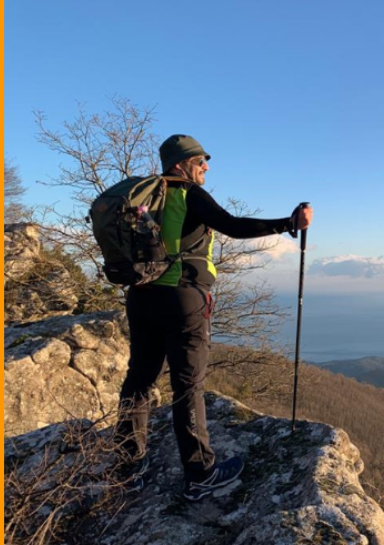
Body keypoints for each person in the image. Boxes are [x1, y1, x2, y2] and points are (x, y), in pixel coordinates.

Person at [113, 134, 312, 501]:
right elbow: (231, 226)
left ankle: (126, 469)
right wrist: (289, 223)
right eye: (199, 160)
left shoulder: (140, 199)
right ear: (180, 164)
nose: (205, 166)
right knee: (187, 385)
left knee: (140, 379)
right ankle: (200, 472)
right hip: (183, 299)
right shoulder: (186, 193)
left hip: (141, 297)